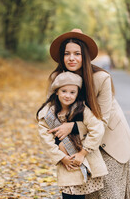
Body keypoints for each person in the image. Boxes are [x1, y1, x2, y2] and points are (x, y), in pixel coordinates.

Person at [48, 28, 130, 199]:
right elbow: (53, 115)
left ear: (85, 56)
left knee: (109, 193)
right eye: (67, 53)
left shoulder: (101, 78)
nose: (71, 58)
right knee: (85, 193)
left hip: (109, 143)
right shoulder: (58, 79)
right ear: (61, 56)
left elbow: (101, 121)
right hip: (78, 142)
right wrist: (60, 146)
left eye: (77, 53)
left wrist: (72, 126)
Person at [37, 71, 108, 199]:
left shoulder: (82, 110)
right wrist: (60, 157)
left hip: (83, 159)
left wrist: (83, 153)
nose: (68, 96)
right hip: (66, 162)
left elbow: (97, 129)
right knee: (68, 193)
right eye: (64, 91)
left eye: (72, 92)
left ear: (77, 93)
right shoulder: (48, 114)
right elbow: (45, 138)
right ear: (56, 91)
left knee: (81, 194)